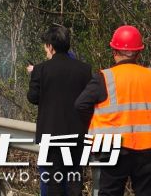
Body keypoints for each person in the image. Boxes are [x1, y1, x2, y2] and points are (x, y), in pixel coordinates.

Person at [74, 25, 151, 196]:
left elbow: (80, 105)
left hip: (113, 148)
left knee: (110, 192)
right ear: (139, 53)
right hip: (147, 148)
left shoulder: (104, 78)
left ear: (114, 51)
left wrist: (97, 122)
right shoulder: (149, 76)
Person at [26, 24, 92, 196]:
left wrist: (34, 79)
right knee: (74, 178)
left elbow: (32, 98)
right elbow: (89, 101)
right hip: (78, 135)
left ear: (50, 46)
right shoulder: (84, 69)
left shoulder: (41, 69)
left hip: (51, 134)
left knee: (54, 181)